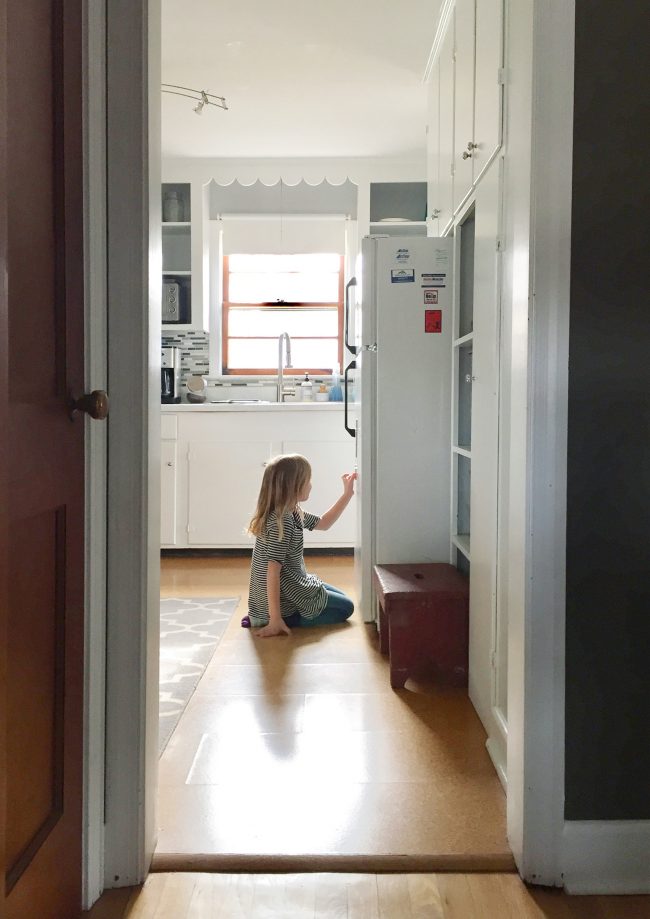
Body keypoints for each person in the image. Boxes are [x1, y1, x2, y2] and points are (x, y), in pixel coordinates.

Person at [245, 453, 357, 638]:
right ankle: (285, 618)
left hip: (292, 584)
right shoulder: (282, 521)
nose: (311, 485)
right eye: (307, 480)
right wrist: (274, 619)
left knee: (340, 596)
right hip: (279, 601)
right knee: (346, 607)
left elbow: (324, 523)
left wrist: (347, 494)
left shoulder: (292, 510)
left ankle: (271, 615)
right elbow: (272, 571)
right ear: (293, 486)